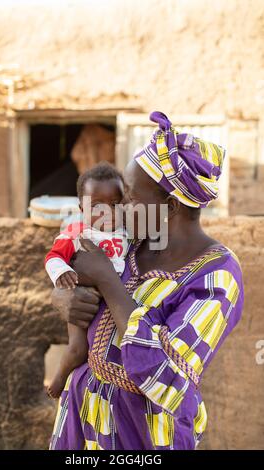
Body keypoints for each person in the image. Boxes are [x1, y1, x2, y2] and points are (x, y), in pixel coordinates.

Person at [49, 111, 244, 450]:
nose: (120, 209)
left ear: (169, 207)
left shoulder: (217, 277)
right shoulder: (131, 244)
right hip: (82, 425)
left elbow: (167, 374)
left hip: (144, 437)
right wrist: (64, 298)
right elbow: (74, 277)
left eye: (131, 199)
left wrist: (108, 281)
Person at [45, 162, 128, 398]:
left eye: (114, 204)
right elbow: (53, 257)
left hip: (113, 304)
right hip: (83, 298)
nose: (107, 213)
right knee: (79, 348)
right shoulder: (77, 232)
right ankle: (59, 377)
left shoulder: (126, 232)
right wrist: (62, 275)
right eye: (97, 206)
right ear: (82, 207)